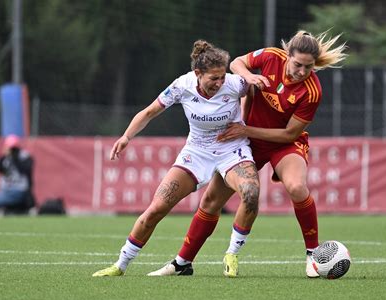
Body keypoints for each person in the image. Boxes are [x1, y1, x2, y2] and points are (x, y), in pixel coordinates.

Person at [155, 30, 347, 278]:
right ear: (287, 55)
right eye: (298, 64)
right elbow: (236, 63)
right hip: (247, 141)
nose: (301, 72)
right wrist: (248, 77)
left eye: (308, 67)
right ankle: (182, 263)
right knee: (211, 201)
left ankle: (312, 255)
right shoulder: (270, 57)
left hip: (283, 143)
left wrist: (245, 129)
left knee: (297, 187)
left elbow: (289, 135)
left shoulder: (312, 92)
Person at [92, 40, 260, 277]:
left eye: (222, 77)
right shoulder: (182, 85)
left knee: (251, 194)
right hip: (196, 152)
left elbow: (252, 90)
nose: (220, 83)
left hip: (231, 150)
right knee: (156, 209)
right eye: (214, 78)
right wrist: (126, 137)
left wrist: (245, 119)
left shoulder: (235, 84)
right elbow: (150, 111)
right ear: (197, 73)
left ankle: (232, 254)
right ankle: (120, 265)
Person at [0, 134, 35, 213]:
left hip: (19, 190)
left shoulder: (23, 156)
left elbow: (25, 170)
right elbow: (0, 169)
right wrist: (3, 157)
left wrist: (15, 157)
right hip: (6, 190)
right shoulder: (5, 158)